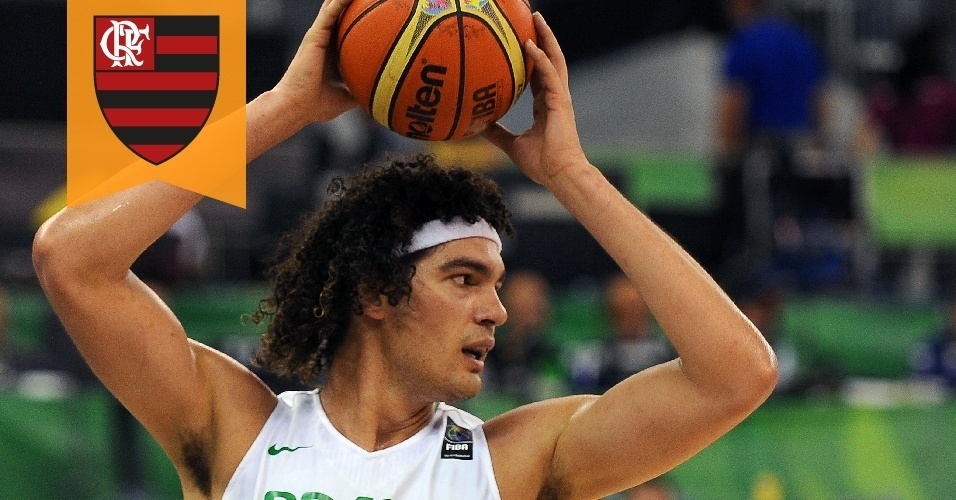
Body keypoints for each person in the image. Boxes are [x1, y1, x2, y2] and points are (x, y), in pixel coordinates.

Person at [32, 0, 779, 498]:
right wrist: (282, 108)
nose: (495, 310)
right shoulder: (237, 430)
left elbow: (736, 373)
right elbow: (72, 259)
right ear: (376, 291)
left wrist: (571, 176)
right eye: (463, 277)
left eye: (493, 282)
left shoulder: (511, 464)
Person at [570, 273, 674, 394]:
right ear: (610, 313)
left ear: (647, 311)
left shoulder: (669, 355)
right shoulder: (594, 358)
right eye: (622, 311)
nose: (630, 317)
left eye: (635, 310)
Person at [483, 269, 562, 403]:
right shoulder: (486, 351)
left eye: (534, 306)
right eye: (521, 307)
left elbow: (551, 397)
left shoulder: (554, 355)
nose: (527, 316)